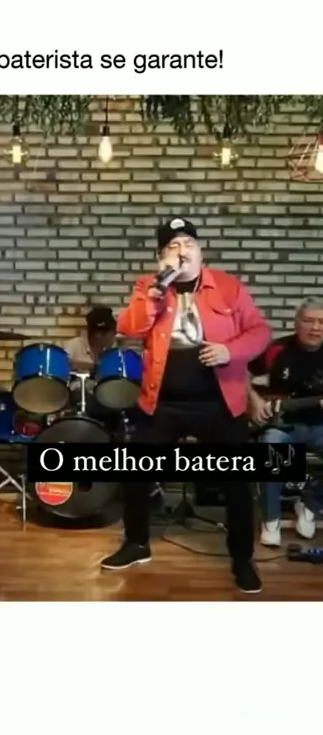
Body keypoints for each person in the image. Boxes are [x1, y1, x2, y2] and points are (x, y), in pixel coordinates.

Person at [100, 217, 272, 594]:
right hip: (162, 403)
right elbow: (129, 328)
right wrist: (157, 291)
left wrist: (230, 350)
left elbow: (260, 332)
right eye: (174, 246)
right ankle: (136, 543)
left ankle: (242, 557)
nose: (183, 251)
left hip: (219, 403)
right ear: (161, 256)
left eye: (189, 244)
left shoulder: (227, 286)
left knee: (238, 484)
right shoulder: (149, 286)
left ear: (201, 252)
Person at [248, 297, 323, 547]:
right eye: (308, 321)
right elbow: (240, 372)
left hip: (320, 426)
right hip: (283, 425)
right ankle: (271, 520)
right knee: (273, 450)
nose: (315, 328)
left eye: (321, 322)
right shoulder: (277, 349)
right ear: (296, 323)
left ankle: (310, 505)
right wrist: (254, 401)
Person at [65, 305, 117, 370]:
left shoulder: (115, 352)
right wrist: (94, 367)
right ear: (98, 335)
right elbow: (61, 366)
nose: (114, 336)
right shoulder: (74, 345)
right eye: (113, 333)